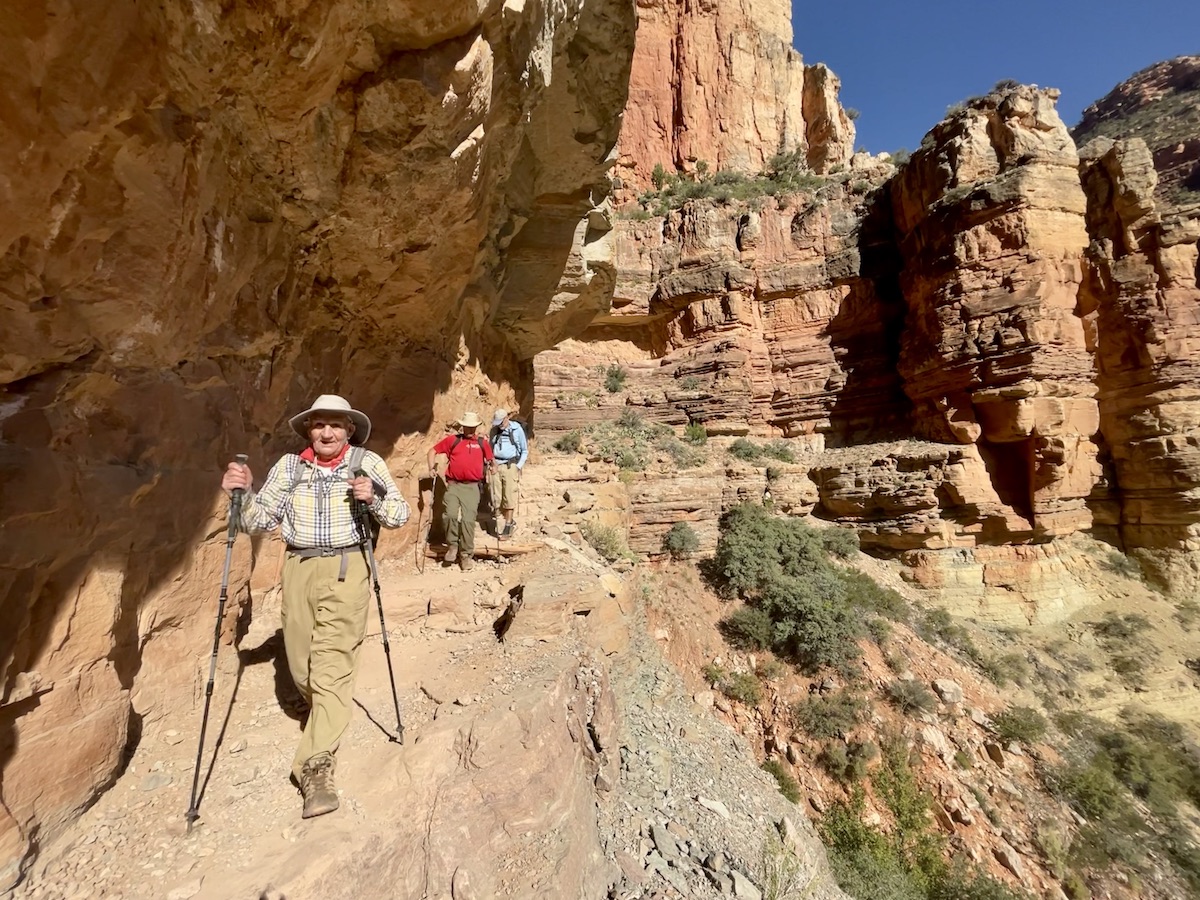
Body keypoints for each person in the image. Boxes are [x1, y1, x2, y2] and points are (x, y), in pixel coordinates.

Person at [220, 394, 409, 819]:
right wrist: (241, 494)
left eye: (336, 425)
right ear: (309, 430)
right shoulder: (289, 468)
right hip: (299, 566)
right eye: (319, 424)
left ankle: (315, 764)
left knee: (333, 663)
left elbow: (400, 515)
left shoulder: (367, 463)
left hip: (349, 565)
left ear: (349, 430)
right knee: (301, 662)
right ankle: (319, 704)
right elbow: (258, 521)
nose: (327, 432)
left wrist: (373, 498)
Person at [427, 411, 493, 571]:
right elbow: (432, 451)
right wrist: (431, 467)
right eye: (466, 427)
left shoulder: (482, 442)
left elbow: (491, 459)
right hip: (454, 485)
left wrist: (493, 466)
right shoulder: (454, 440)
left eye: (472, 427)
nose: (469, 430)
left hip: (472, 487)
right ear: (462, 426)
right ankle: (452, 546)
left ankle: (466, 555)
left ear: (476, 427)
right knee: (449, 514)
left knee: (468, 521)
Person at [489, 408, 528, 539]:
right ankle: (501, 520)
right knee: (496, 496)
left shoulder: (517, 430)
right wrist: (491, 462)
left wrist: (518, 466)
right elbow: (490, 448)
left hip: (511, 465)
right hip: (496, 466)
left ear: (506, 419)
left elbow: (524, 450)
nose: (499, 425)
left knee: (509, 495)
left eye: (501, 422)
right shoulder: (494, 430)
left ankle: (508, 524)